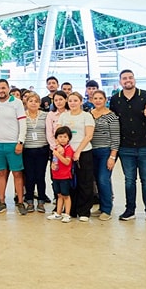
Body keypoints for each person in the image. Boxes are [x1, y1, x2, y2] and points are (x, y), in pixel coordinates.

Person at [109, 70, 146, 223]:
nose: (128, 80)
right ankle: (129, 210)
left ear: (134, 79)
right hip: (126, 147)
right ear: (120, 82)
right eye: (124, 78)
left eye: (130, 77)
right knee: (129, 180)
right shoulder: (115, 99)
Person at [0, 79, 26, 214]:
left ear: (8, 88)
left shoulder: (17, 103)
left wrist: (20, 141)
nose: (1, 91)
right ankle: (2, 201)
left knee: (17, 173)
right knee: (1, 173)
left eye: (3, 88)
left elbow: (22, 123)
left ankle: (20, 201)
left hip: (13, 144)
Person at [57, 92, 95, 220]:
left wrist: (78, 151)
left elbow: (88, 135)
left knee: (85, 182)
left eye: (75, 100)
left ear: (81, 102)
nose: (73, 103)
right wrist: (60, 148)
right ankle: (70, 210)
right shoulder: (63, 116)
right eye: (70, 100)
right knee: (69, 182)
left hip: (83, 152)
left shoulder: (87, 116)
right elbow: (58, 133)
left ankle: (84, 211)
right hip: (66, 153)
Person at [89, 90, 120, 221]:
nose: (97, 100)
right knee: (96, 180)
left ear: (105, 100)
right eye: (95, 98)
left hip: (105, 152)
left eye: (100, 98)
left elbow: (116, 138)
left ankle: (107, 209)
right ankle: (101, 207)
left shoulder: (112, 116)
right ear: (91, 100)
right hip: (91, 151)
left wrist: (112, 156)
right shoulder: (88, 115)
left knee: (103, 179)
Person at [19, 91, 48, 213]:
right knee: (29, 176)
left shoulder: (45, 115)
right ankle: (29, 200)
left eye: (36, 101)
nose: (33, 103)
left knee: (40, 176)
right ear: (26, 102)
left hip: (42, 148)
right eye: (31, 101)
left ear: (39, 103)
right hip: (27, 149)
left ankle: (41, 200)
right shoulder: (22, 116)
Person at [48, 126, 74, 223]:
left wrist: (58, 155)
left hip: (65, 176)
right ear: (56, 139)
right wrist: (52, 165)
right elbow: (54, 161)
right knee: (59, 195)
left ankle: (67, 214)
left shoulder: (68, 149)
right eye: (60, 137)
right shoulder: (55, 148)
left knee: (66, 195)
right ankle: (58, 213)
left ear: (69, 138)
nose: (62, 139)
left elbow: (67, 162)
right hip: (56, 176)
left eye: (65, 137)